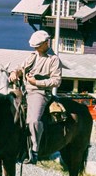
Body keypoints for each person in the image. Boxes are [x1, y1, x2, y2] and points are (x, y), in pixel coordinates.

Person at [9, 30, 62, 165]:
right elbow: (20, 68)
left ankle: (35, 150)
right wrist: (15, 73)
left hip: (40, 93)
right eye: (44, 43)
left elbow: (56, 81)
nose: (47, 44)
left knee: (33, 120)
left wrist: (36, 83)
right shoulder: (31, 57)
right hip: (25, 90)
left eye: (45, 42)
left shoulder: (53, 60)